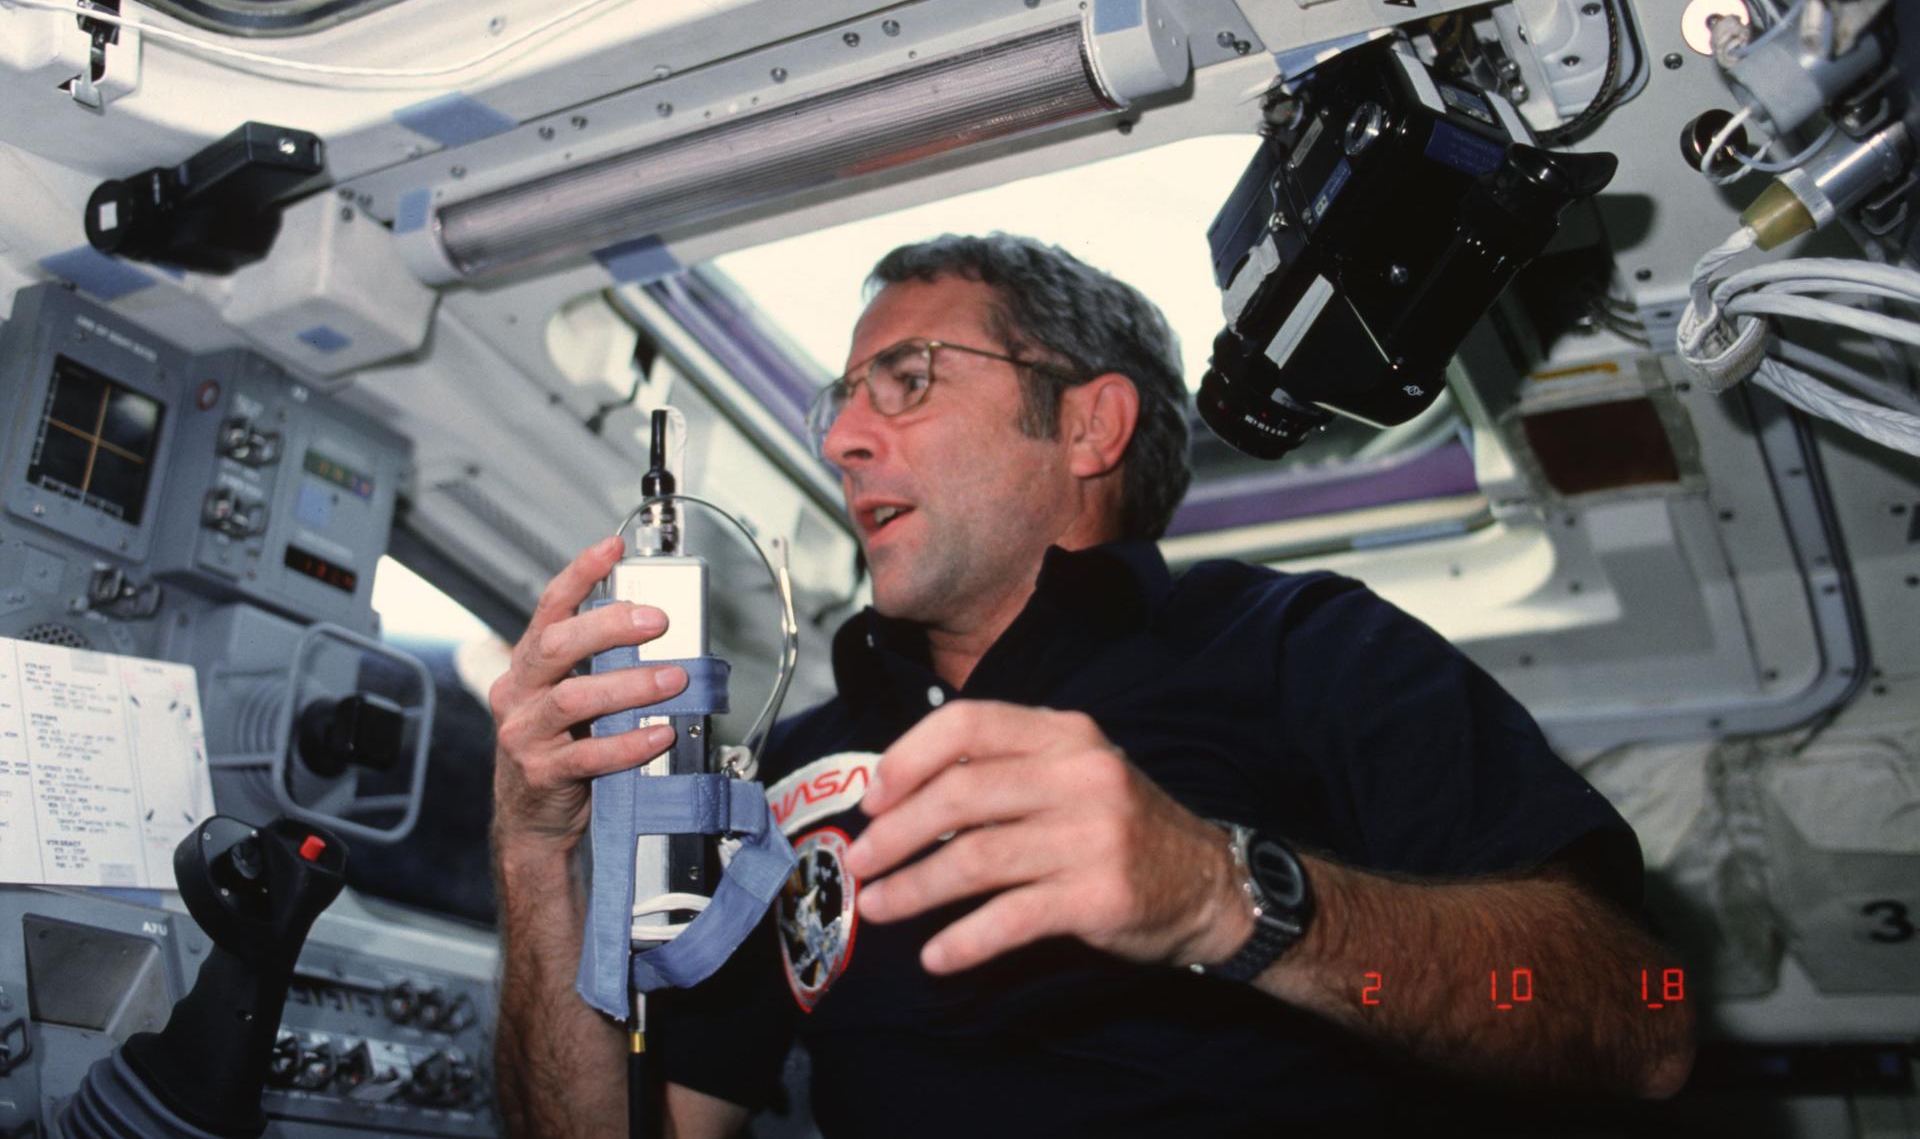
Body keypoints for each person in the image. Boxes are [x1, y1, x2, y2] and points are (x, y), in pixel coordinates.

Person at [489, 233, 1695, 1137]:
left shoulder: (1299, 647)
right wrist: (538, 856)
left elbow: (1643, 1022)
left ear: (1089, 424)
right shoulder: (798, 761)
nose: (843, 440)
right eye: (839, 400)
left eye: (906, 378)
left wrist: (1227, 898)